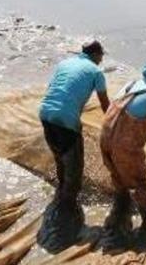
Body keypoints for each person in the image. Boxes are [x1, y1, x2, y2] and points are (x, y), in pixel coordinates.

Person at [36, 40, 110, 252]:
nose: (102, 58)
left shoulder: (65, 64)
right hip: (66, 120)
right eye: (101, 55)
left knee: (60, 157)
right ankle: (67, 211)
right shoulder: (96, 71)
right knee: (75, 169)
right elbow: (105, 104)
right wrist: (112, 126)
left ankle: (61, 192)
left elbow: (57, 90)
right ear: (96, 54)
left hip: (46, 114)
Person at [99, 61, 146, 250]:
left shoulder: (130, 85)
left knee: (118, 177)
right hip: (125, 148)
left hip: (105, 138)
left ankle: (120, 212)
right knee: (141, 185)